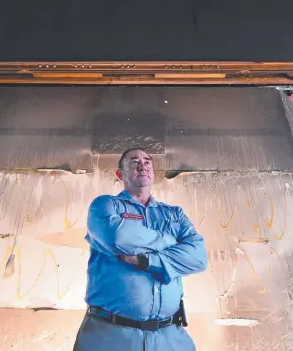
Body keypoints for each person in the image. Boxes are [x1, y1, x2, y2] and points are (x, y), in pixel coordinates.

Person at [73, 148, 208, 351]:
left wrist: (146, 260)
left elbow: (198, 258)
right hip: (111, 336)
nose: (142, 165)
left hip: (170, 336)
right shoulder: (105, 206)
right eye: (134, 161)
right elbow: (117, 237)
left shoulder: (174, 214)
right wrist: (169, 240)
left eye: (147, 161)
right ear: (120, 174)